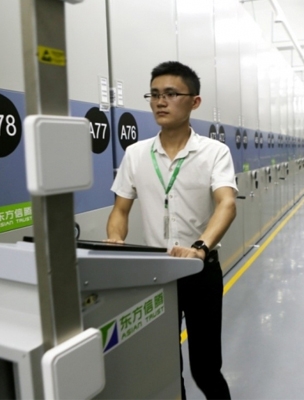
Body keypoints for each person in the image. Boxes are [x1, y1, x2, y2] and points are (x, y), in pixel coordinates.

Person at [106, 61, 237, 400]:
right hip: (155, 275)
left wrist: (200, 247)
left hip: (200, 271)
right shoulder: (136, 154)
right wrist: (115, 239)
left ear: (194, 101)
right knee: (163, 366)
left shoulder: (214, 153)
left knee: (205, 368)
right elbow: (120, 209)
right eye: (154, 95)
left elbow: (226, 203)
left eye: (171, 94)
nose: (160, 102)